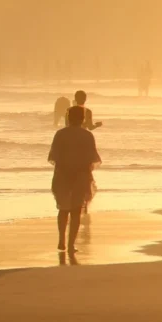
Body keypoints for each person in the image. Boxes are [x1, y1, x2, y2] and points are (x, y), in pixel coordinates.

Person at [48, 106, 101, 253]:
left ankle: (61, 240)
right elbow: (92, 158)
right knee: (76, 211)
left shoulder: (60, 134)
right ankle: (71, 244)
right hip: (81, 175)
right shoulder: (87, 135)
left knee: (63, 209)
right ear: (83, 119)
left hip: (63, 174)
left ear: (68, 118)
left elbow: (54, 157)